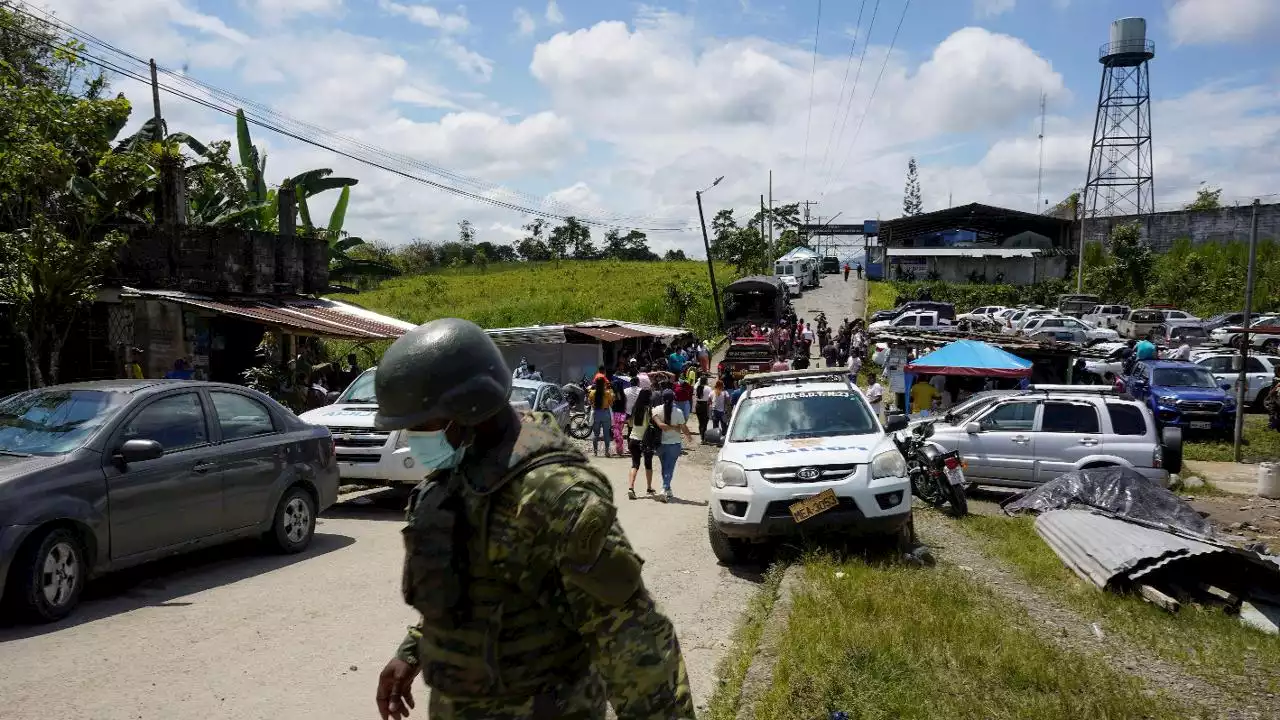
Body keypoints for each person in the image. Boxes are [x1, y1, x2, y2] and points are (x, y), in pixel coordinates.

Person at [371, 318, 694, 720]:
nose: (415, 436)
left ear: (470, 408)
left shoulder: (557, 495)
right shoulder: (459, 477)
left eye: (423, 424)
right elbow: (471, 588)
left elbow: (633, 640)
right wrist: (414, 649)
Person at [651, 390, 693, 503]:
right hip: (674, 444)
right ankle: (664, 489)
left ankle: (668, 489)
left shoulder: (656, 409)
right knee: (670, 468)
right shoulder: (678, 412)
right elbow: (683, 427)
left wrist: (670, 426)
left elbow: (660, 424)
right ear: (674, 398)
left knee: (664, 467)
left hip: (659, 443)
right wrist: (688, 436)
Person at [626, 388, 657, 499]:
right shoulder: (649, 410)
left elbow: (629, 423)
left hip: (633, 439)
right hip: (646, 441)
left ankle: (631, 488)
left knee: (635, 464)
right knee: (648, 464)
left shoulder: (635, 409)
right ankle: (649, 487)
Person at [588, 376, 614, 457]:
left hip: (596, 414)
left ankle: (595, 452)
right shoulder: (607, 393)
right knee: (606, 434)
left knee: (596, 434)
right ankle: (606, 452)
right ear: (604, 384)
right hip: (605, 413)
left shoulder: (592, 392)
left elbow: (590, 402)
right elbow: (611, 403)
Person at [610, 373, 630, 456]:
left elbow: (612, 405)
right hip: (622, 415)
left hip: (616, 415)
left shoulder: (616, 395)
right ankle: (620, 449)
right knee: (619, 433)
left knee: (617, 434)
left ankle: (619, 450)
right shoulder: (623, 395)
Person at [694, 375, 712, 441]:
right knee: (705, 422)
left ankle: (701, 435)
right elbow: (710, 398)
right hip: (705, 405)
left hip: (698, 405)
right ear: (706, 381)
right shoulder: (708, 388)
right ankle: (703, 437)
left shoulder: (697, 387)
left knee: (700, 422)